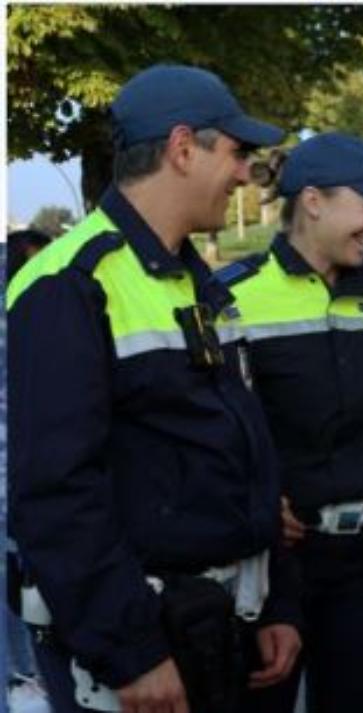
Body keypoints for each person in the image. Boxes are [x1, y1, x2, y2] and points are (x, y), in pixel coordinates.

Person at [7, 64, 302, 713]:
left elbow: (245, 450)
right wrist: (132, 650)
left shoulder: (197, 281)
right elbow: (57, 493)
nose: (246, 172)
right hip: (149, 644)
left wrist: (280, 601)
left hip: (222, 628)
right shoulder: (68, 282)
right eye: (237, 151)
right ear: (182, 148)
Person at [216, 132, 363, 713]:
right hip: (269, 570)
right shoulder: (230, 299)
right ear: (313, 201)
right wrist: (254, 501)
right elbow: (209, 436)